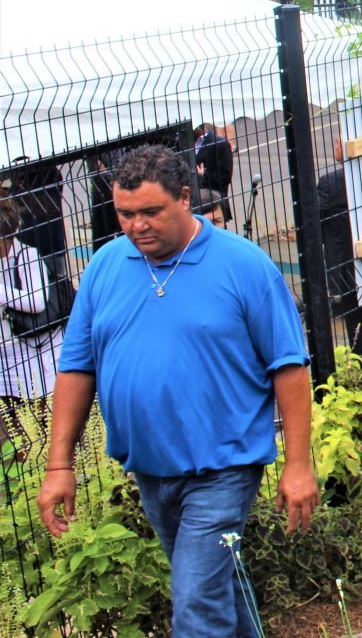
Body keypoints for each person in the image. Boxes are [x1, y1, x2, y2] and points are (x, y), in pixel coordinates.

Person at [36, 145, 319, 637]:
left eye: (150, 212)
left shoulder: (243, 266)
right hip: (150, 466)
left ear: (184, 197)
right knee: (213, 588)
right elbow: (77, 367)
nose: (137, 226)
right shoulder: (105, 266)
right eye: (125, 214)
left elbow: (289, 367)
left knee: (195, 607)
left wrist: (297, 463)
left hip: (223, 467)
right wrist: (60, 464)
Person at [0, 196, 63, 452]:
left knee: (46, 416)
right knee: (12, 425)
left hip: (36, 352)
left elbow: (37, 301)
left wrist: (2, 292)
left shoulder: (26, 255)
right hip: (6, 357)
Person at [318, 138, 362, 352]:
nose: (335, 145)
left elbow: (315, 227)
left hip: (348, 268)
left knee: (357, 329)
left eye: (337, 141)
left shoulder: (331, 182)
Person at [194, 123, 234, 222]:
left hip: (214, 205)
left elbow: (225, 177)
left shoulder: (221, 144)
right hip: (193, 206)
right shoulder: (183, 143)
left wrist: (203, 175)